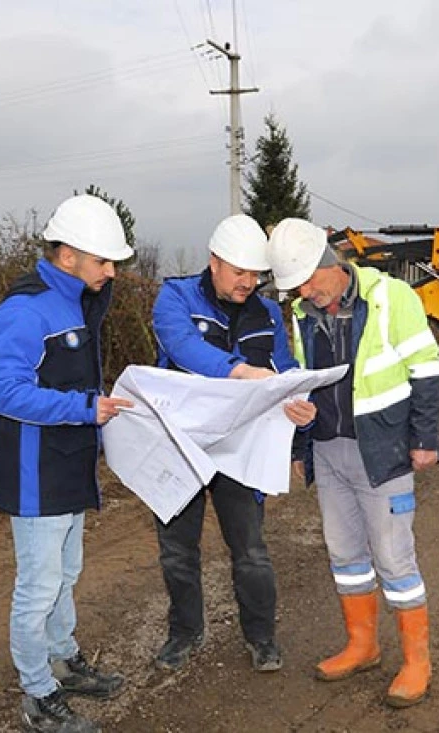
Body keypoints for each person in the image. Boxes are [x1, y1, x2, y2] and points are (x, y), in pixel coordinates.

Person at [267, 217, 439, 708]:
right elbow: (305, 383)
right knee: (344, 554)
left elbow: (425, 369)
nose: (303, 293)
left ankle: (416, 661)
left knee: (392, 555)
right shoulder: (304, 314)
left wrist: (424, 437)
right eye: (294, 287)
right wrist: (303, 445)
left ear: (330, 263)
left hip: (382, 451)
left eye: (307, 280)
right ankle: (363, 645)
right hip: (329, 448)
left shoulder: (391, 298)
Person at [0, 194, 136, 733]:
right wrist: (83, 409)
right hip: (34, 472)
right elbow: (3, 392)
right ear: (68, 255)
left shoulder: (78, 302)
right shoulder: (26, 310)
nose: (112, 271)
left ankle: (63, 660)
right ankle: (37, 693)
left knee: (66, 574)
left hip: (70, 465)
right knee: (39, 584)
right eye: (103, 261)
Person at [149, 213, 316, 673]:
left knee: (251, 551)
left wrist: (298, 406)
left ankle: (261, 637)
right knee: (178, 552)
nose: (249, 281)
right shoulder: (175, 296)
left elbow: (284, 369)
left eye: (255, 273)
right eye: (239, 272)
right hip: (180, 446)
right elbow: (182, 347)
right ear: (214, 262)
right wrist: (239, 371)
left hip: (239, 450)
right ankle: (184, 634)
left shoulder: (266, 314)